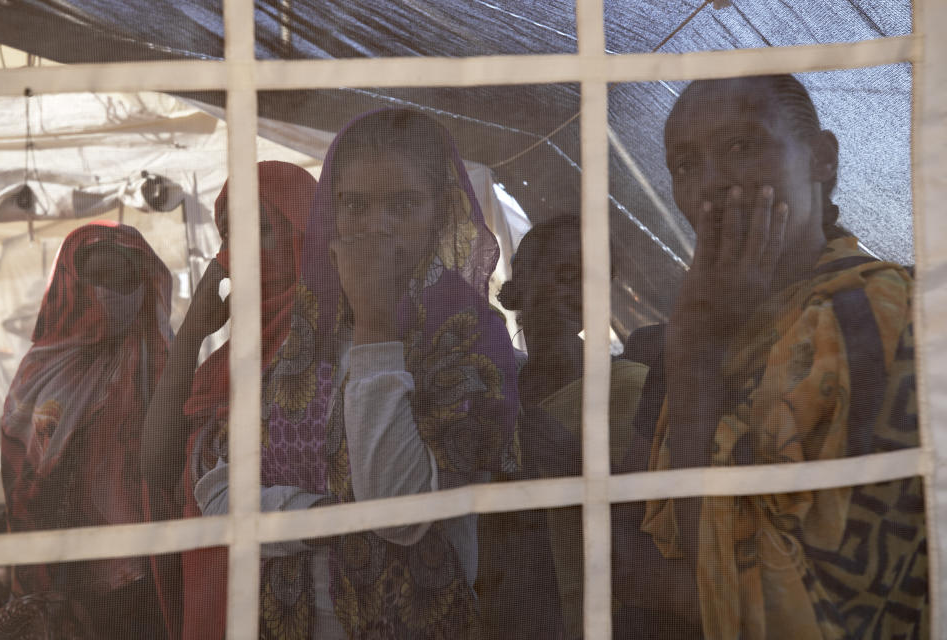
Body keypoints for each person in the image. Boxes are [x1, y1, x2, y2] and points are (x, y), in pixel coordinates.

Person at [614, 74, 927, 639]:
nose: (712, 185)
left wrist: (695, 360)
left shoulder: (880, 315)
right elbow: (656, 571)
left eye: (741, 146)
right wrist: (692, 356)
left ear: (821, 160)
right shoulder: (700, 331)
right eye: (685, 164)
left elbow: (803, 596)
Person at [190, 109, 519, 638]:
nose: (375, 227)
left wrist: (375, 323)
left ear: (440, 213)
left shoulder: (469, 341)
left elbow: (397, 513)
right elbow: (220, 498)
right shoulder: (308, 335)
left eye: (401, 205)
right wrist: (325, 519)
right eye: (354, 205)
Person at [140, 161, 317, 640]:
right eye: (230, 235)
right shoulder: (227, 365)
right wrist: (192, 331)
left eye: (262, 229)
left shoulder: (336, 345)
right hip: (218, 598)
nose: (241, 253)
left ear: (306, 233)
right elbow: (157, 464)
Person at [0, 221, 172, 638]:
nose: (109, 290)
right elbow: (23, 466)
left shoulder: (160, 360)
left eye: (123, 277)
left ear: (143, 282)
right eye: (98, 276)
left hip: (145, 572)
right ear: (72, 280)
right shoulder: (38, 371)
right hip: (58, 567)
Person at [486, 216, 647, 639]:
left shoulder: (627, 389)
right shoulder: (496, 388)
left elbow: (651, 527)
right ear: (521, 280)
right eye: (562, 274)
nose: (574, 291)